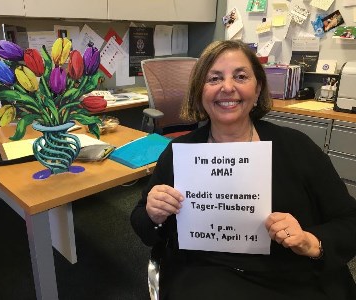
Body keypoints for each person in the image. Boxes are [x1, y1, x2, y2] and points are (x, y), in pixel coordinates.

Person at [131, 40, 356, 299]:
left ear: (258, 87)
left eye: (240, 76)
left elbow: (349, 220)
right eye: (214, 78)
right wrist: (153, 213)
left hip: (291, 275)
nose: (228, 87)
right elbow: (143, 224)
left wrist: (311, 241)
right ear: (199, 91)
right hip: (206, 274)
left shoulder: (297, 147)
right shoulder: (181, 152)